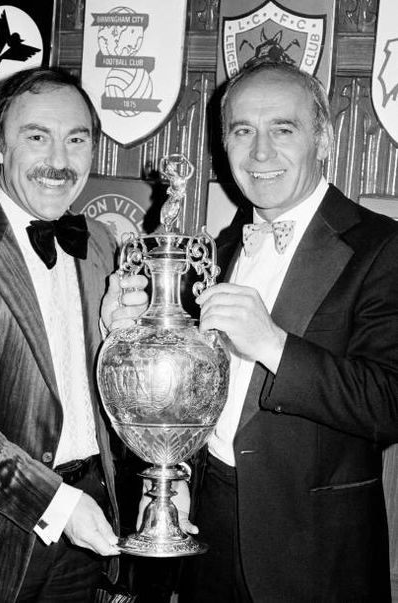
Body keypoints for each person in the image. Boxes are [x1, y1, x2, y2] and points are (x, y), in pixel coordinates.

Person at [170, 61, 398, 602]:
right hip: (207, 532)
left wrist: (274, 346)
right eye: (243, 131)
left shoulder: (384, 248)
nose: (260, 153)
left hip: (315, 549)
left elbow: (390, 402)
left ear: (323, 139)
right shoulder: (218, 250)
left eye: (283, 129)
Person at [0, 66, 143, 602]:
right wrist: (57, 503)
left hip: (93, 512)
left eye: (77, 140)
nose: (59, 161)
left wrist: (113, 335)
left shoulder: (100, 242)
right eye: (36, 137)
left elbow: (89, 379)